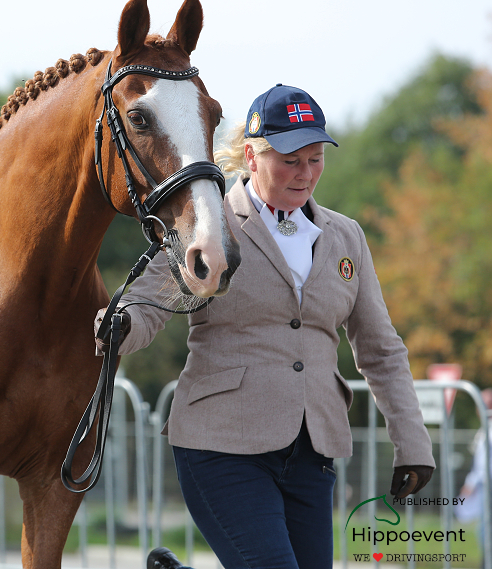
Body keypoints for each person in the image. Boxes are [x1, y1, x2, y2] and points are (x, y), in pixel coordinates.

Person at [96, 84, 436, 569]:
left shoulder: (346, 237)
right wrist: (122, 323)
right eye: (290, 161)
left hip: (312, 451)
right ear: (252, 157)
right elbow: (152, 300)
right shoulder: (210, 226)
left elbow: (381, 350)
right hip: (220, 445)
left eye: (315, 159)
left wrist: (412, 442)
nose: (306, 174)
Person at [456, 388, 492, 562]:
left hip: (488, 488)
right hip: (485, 487)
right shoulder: (485, 430)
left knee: (486, 532)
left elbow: (484, 465)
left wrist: (470, 484)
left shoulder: (489, 432)